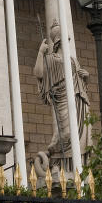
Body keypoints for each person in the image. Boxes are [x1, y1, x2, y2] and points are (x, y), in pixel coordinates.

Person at [33, 20, 90, 171]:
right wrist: (40, 53)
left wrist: (85, 77)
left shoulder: (73, 60)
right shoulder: (51, 58)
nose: (68, 41)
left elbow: (80, 83)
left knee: (78, 135)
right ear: (59, 41)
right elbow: (38, 73)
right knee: (66, 134)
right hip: (62, 99)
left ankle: (77, 169)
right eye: (66, 39)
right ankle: (59, 165)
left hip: (78, 100)